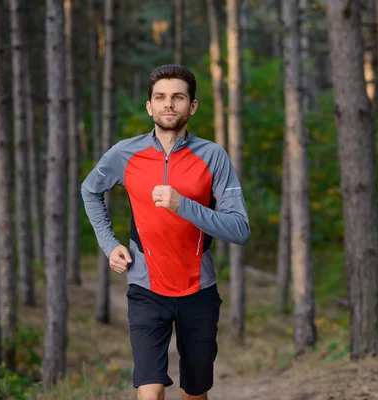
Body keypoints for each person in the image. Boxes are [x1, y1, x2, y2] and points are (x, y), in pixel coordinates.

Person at [81, 64, 250, 400]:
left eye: (177, 97)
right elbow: (90, 190)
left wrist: (183, 205)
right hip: (145, 287)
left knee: (194, 393)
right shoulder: (124, 153)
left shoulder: (213, 156)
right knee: (150, 390)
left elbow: (239, 228)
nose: (168, 104)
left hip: (199, 290)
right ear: (149, 107)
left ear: (192, 105)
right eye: (160, 97)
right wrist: (108, 243)